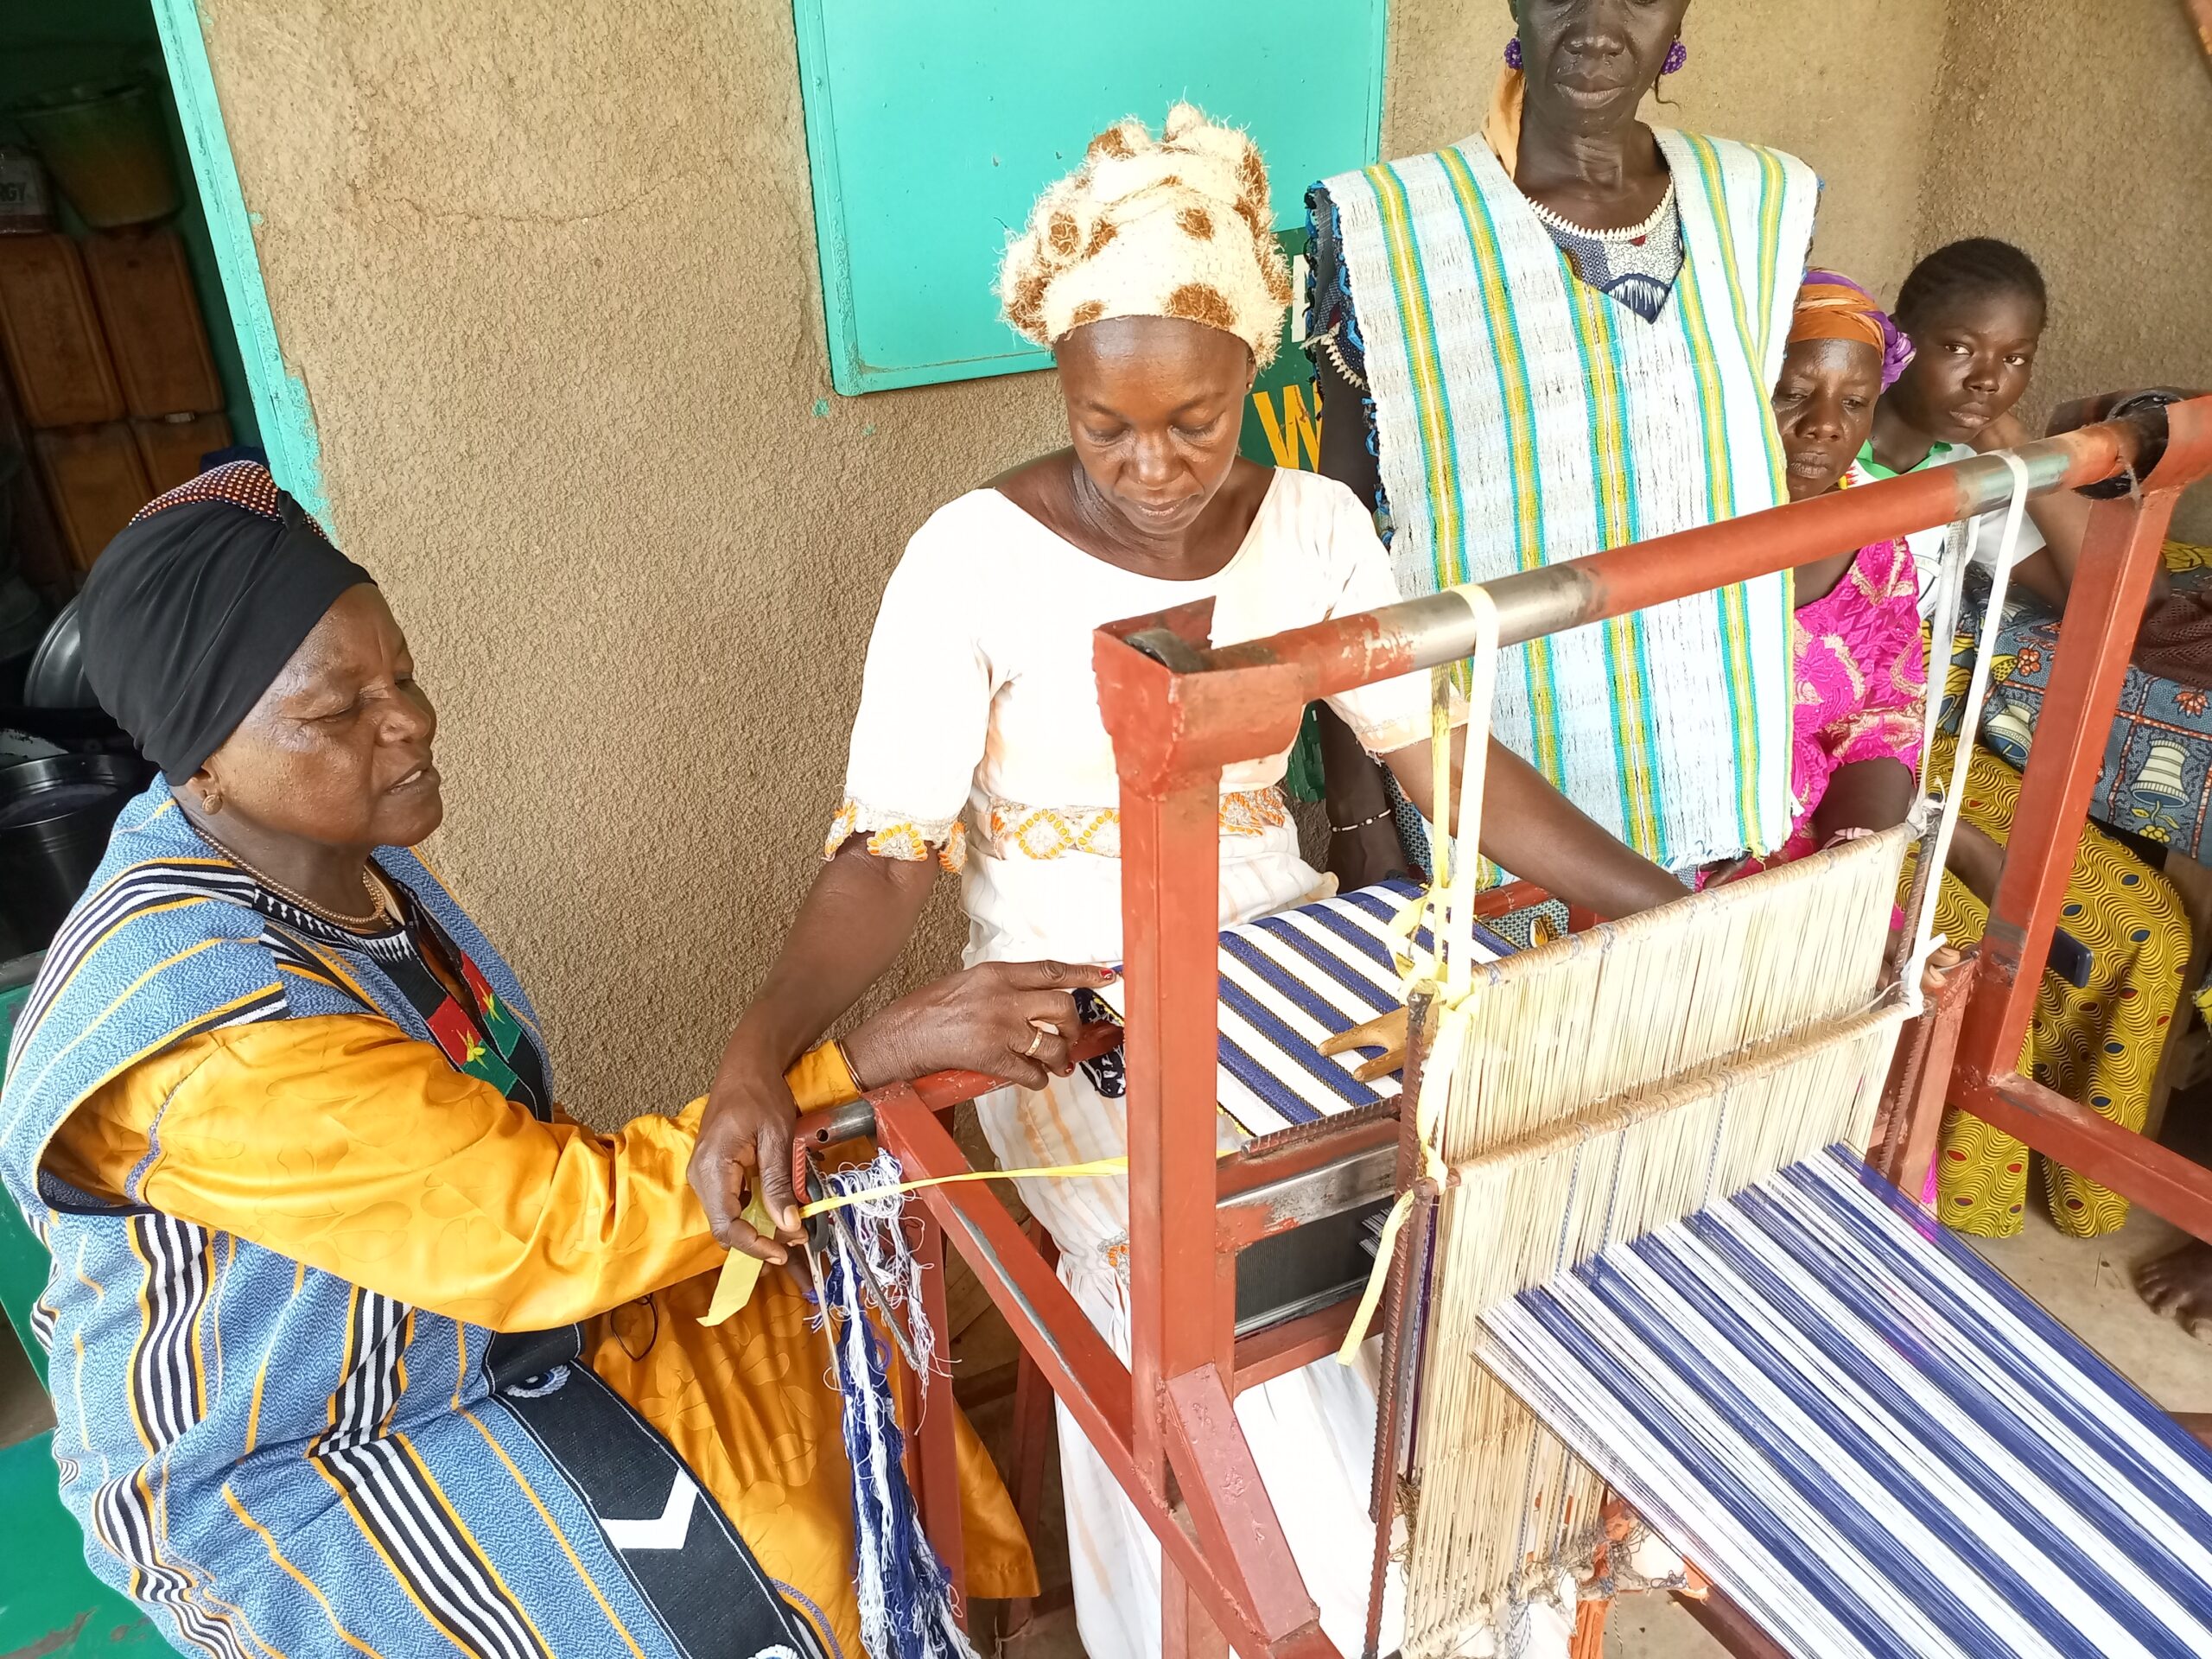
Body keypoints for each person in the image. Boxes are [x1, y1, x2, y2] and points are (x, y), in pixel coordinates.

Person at [700, 108, 1685, 1659]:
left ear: (1251, 378)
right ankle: (1306, 1609)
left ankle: (1481, 1561)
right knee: (1210, 1328)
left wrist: (1659, 903)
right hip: (1071, 1014)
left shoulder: (1315, 527)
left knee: (1477, 1220)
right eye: (1107, 426)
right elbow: (887, 859)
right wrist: (761, 1048)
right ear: (1061, 384)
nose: (1151, 468)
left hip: (1286, 966)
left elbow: (1440, 759)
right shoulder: (969, 558)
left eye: (1197, 424)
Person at [0, 463, 1070, 1659]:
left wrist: (826, 1092)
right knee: (730, 1604)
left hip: (465, 1330)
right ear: (201, 758)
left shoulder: (326, 857)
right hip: (305, 1456)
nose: (407, 720)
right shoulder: (216, 1042)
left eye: (401, 676)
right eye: (340, 710)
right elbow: (544, 1227)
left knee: (818, 1344)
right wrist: (867, 1057)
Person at [1302, 0, 1819, 893]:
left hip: (1718, 767)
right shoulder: (1388, 225)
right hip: (1485, 793)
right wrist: (1356, 809)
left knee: (1700, 980)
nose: (1596, 24)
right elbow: (1336, 534)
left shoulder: (1761, 199)